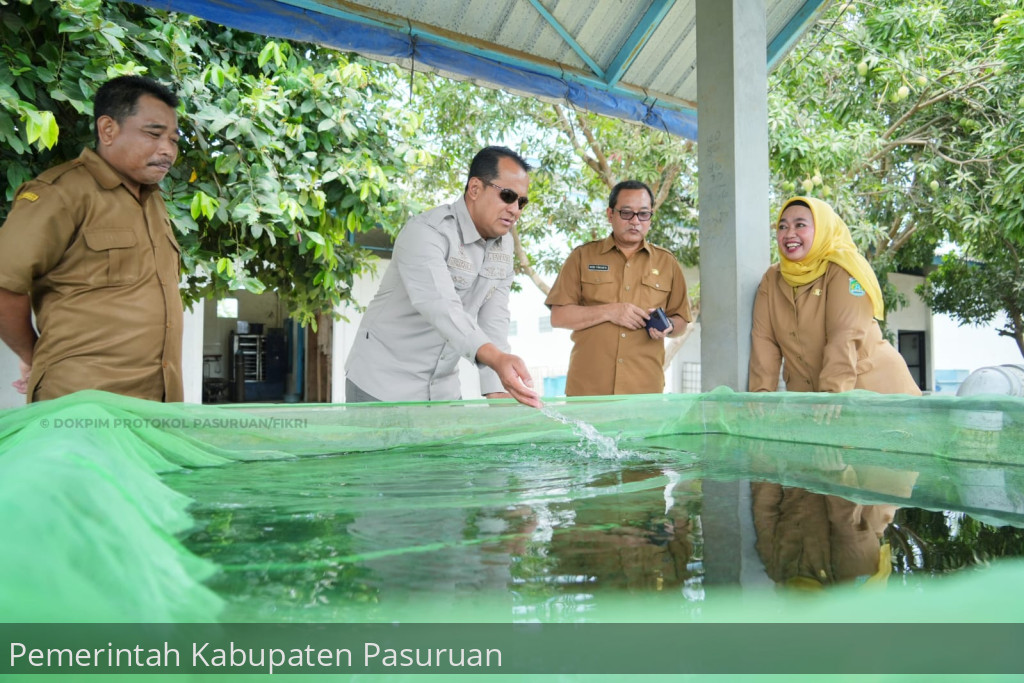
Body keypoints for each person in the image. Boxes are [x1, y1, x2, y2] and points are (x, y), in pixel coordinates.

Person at [0, 75, 183, 403]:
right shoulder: (60, 194)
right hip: (83, 404)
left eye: (174, 139)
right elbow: (4, 285)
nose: (167, 150)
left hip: (158, 405)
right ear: (108, 129)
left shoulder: (153, 201)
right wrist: (32, 353)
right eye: (154, 134)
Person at [345, 145, 540, 408]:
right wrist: (496, 359)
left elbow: (495, 321)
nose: (515, 209)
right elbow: (440, 306)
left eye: (522, 202)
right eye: (507, 196)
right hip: (382, 385)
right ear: (474, 189)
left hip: (443, 391)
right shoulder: (425, 232)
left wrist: (498, 389)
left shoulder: (504, 247)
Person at [748, 196, 921, 395]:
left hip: (874, 392)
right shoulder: (772, 278)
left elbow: (845, 335)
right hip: (816, 400)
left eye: (800, 225)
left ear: (823, 229)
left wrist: (831, 393)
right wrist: (761, 393)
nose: (790, 234)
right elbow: (764, 340)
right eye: (783, 227)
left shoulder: (844, 268)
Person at [544, 180, 691, 396]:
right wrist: (610, 311)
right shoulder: (582, 257)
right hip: (589, 391)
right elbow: (559, 316)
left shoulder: (667, 263)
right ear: (610, 214)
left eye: (643, 214)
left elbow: (682, 321)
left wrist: (668, 325)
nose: (635, 221)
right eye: (626, 213)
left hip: (644, 391)